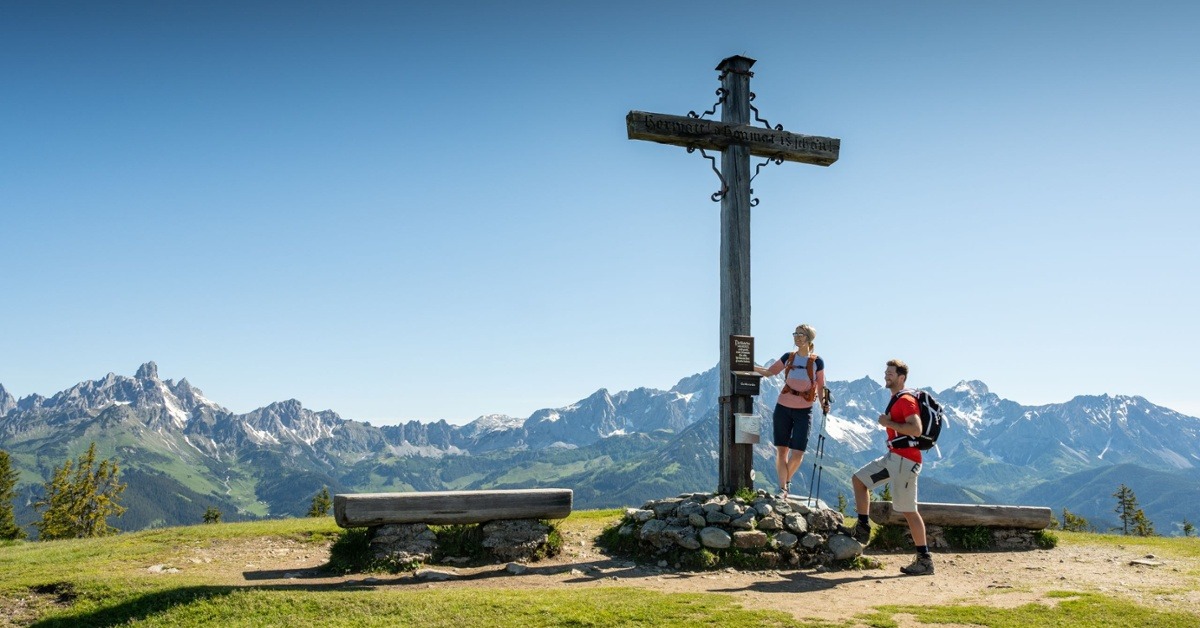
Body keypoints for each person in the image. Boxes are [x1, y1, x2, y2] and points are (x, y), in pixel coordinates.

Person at [842, 359, 934, 576]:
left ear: (901, 378)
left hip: (904, 461)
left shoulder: (906, 400)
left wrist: (888, 423)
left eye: (890, 373)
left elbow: (917, 429)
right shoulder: (897, 399)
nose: (886, 375)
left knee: (909, 511)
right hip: (894, 458)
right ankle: (863, 528)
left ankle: (925, 560)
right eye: (885, 372)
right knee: (859, 480)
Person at [754, 324, 825, 500]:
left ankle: (786, 482)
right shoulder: (788, 357)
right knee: (782, 451)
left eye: (801, 334)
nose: (797, 337)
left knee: (798, 453)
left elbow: (821, 385)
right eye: (796, 334)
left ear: (809, 338)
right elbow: (770, 372)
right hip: (783, 408)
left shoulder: (817, 362)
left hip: (804, 411)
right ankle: (782, 489)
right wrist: (748, 365)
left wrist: (824, 403)